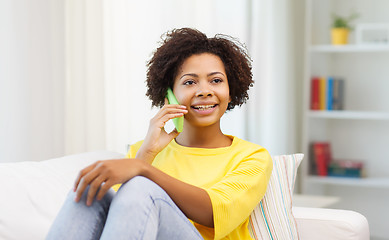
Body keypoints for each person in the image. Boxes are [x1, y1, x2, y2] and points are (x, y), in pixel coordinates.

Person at [46, 28, 272, 240]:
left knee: (141, 185)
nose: (205, 91)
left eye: (216, 80)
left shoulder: (252, 157)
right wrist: (146, 155)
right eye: (190, 82)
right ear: (169, 96)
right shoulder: (143, 152)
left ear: (230, 92)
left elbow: (216, 212)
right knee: (91, 193)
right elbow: (121, 221)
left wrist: (143, 170)